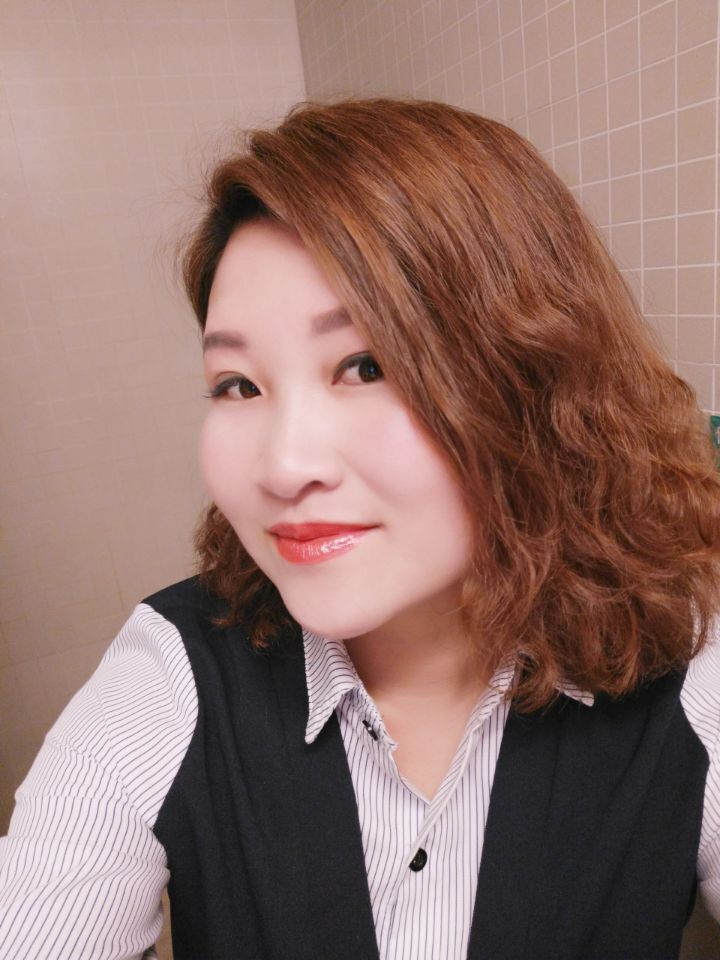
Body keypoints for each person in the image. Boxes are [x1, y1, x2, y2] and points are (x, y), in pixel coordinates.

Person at [1, 98, 719, 960]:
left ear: (538, 380)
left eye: (366, 365)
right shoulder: (171, 672)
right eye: (238, 384)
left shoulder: (688, 669)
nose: (282, 466)